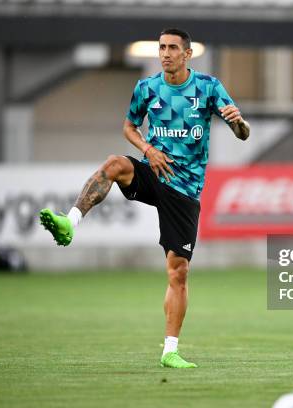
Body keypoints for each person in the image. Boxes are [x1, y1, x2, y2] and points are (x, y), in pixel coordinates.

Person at [39, 28, 250, 368]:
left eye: (172, 48)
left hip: (185, 188)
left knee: (177, 272)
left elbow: (243, 133)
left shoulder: (208, 87)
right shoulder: (148, 88)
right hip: (154, 171)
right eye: (161, 48)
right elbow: (128, 127)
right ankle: (70, 221)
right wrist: (148, 149)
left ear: (188, 53)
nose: (165, 53)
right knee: (114, 164)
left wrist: (238, 123)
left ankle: (170, 351)